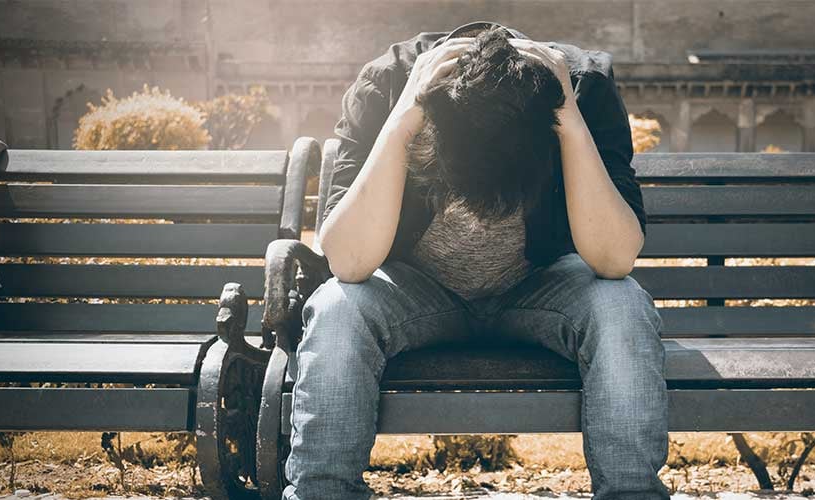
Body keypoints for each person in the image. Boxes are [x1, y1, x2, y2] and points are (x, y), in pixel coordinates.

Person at [284, 21, 670, 500]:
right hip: (416, 290)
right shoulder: (387, 84)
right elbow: (348, 261)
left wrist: (568, 120)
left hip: (541, 284)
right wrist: (404, 118)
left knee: (622, 306)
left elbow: (614, 259)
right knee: (338, 308)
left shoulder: (583, 88)